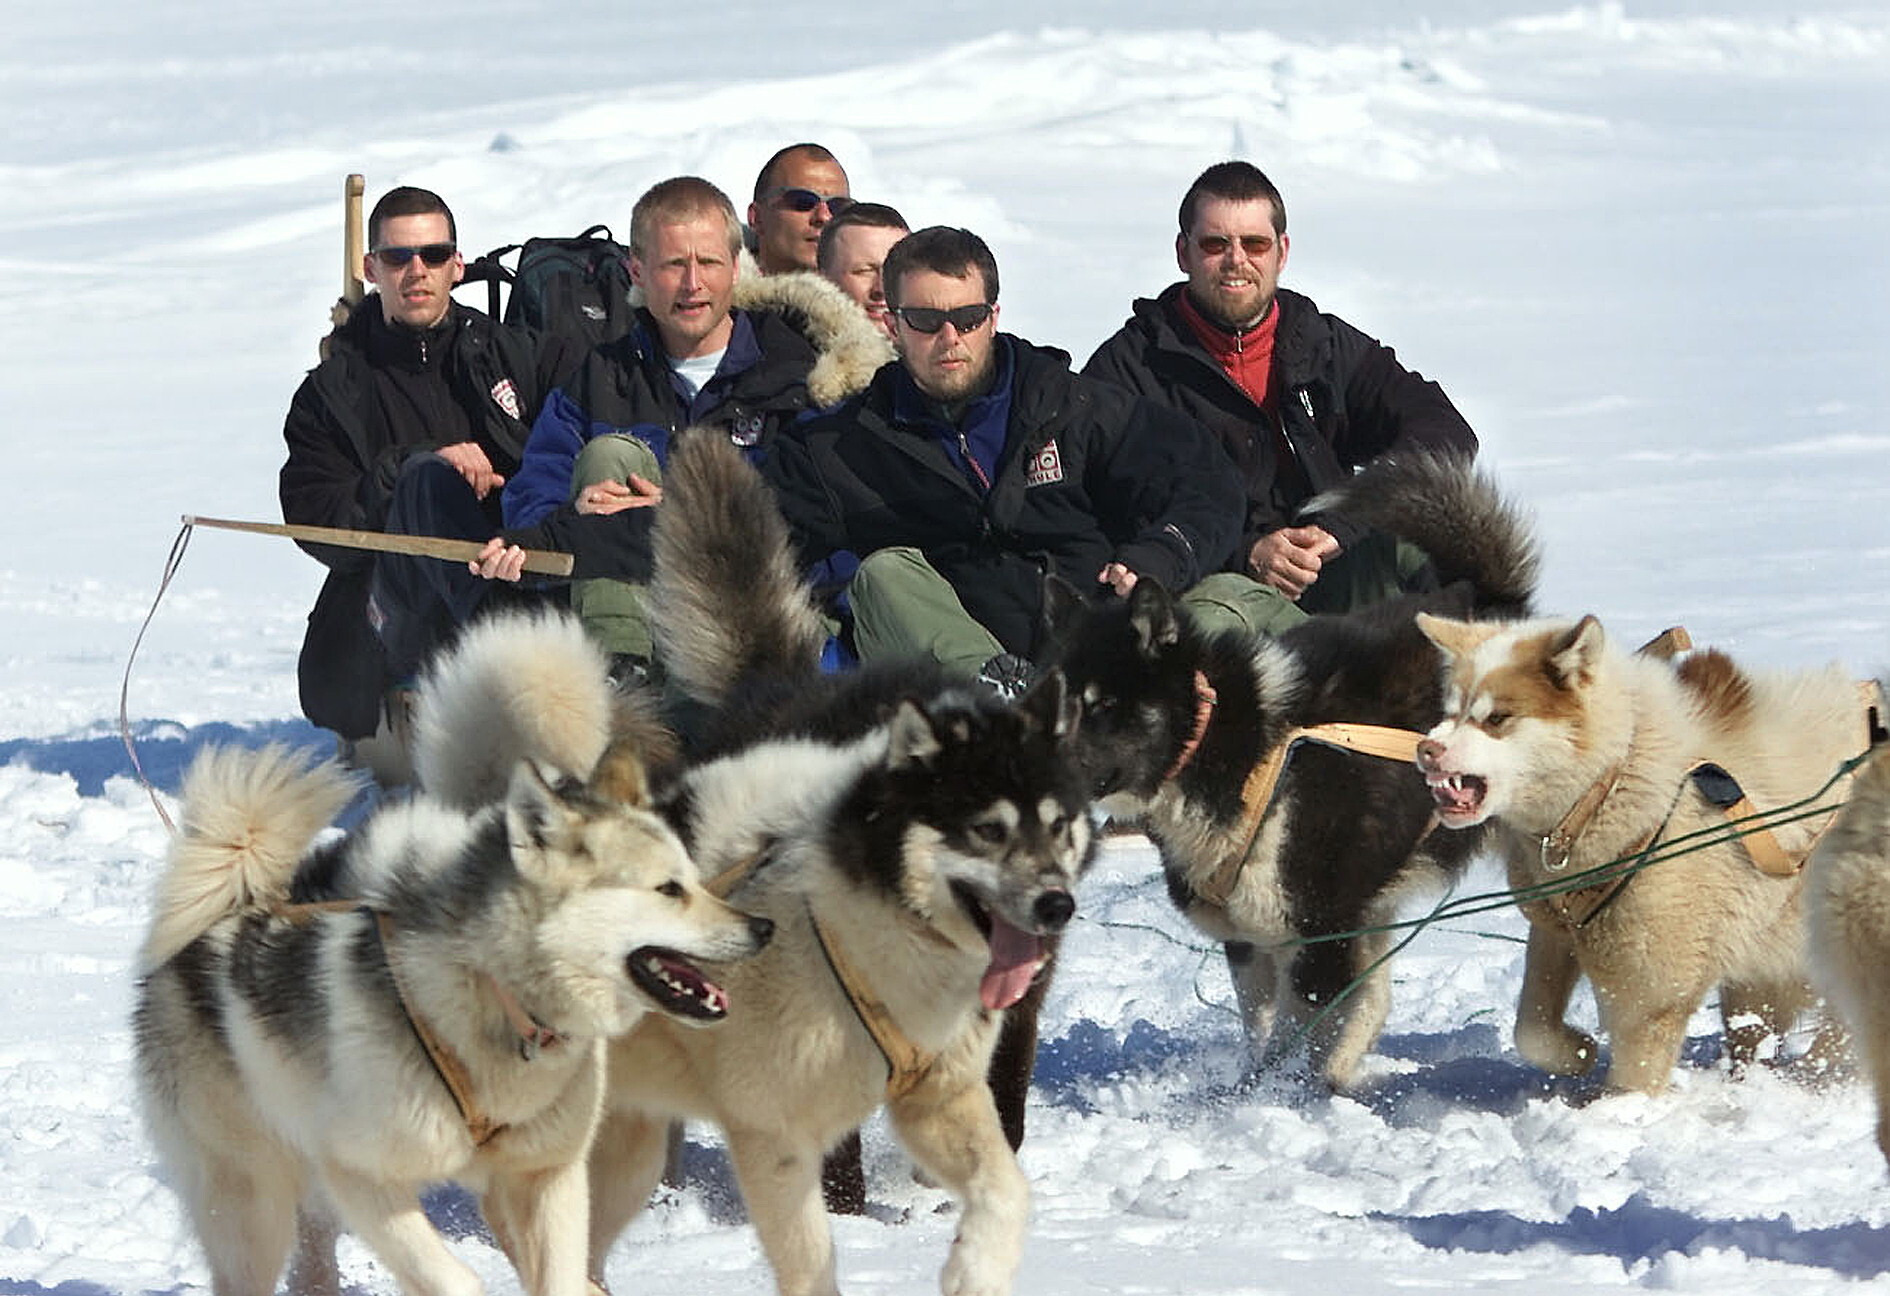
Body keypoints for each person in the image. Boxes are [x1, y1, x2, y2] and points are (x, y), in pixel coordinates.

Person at [761, 225, 1253, 692]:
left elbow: (1205, 479)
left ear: (993, 318)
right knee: (884, 575)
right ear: (893, 324)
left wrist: (1160, 554)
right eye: (927, 321)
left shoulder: (1071, 406)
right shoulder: (841, 446)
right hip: (960, 683)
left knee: (1232, 597)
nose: (950, 338)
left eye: (968, 319)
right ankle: (1012, 701)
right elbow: (747, 543)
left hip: (1100, 643)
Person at [497, 175, 889, 675]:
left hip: (752, 624)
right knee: (607, 455)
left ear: (734, 267)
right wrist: (574, 510)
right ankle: (623, 672)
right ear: (637, 271)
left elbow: (817, 519)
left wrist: (688, 512)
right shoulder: (598, 381)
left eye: (707, 263)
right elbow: (530, 498)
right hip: (630, 620)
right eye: (673, 265)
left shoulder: (798, 379)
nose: (692, 285)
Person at [1083, 160, 1478, 631]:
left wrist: (1342, 524)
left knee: (1438, 526)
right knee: (1211, 613)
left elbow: (1444, 431)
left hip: (1331, 567)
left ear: (1281, 252)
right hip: (1219, 591)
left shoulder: (1322, 343)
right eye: (1215, 244)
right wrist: (1248, 551)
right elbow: (1108, 506)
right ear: (1183, 253)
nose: (1236, 260)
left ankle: (1486, 679)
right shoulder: (1129, 368)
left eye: (1255, 244)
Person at [279, 185, 577, 756]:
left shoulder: (519, 356)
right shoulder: (333, 391)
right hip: (394, 617)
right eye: (397, 257)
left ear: (458, 266)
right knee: (425, 483)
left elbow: (578, 439)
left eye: (434, 256)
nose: (417, 271)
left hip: (520, 576)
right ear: (371, 268)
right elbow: (320, 526)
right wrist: (408, 471)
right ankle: (511, 672)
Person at [747, 142, 852, 275]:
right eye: (803, 201)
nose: (824, 217)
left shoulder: (877, 292)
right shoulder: (718, 294)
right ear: (756, 218)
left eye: (838, 206)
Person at [816, 201, 910, 339]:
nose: (881, 289)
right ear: (823, 281)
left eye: (896, 271)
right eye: (863, 271)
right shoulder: (787, 355)